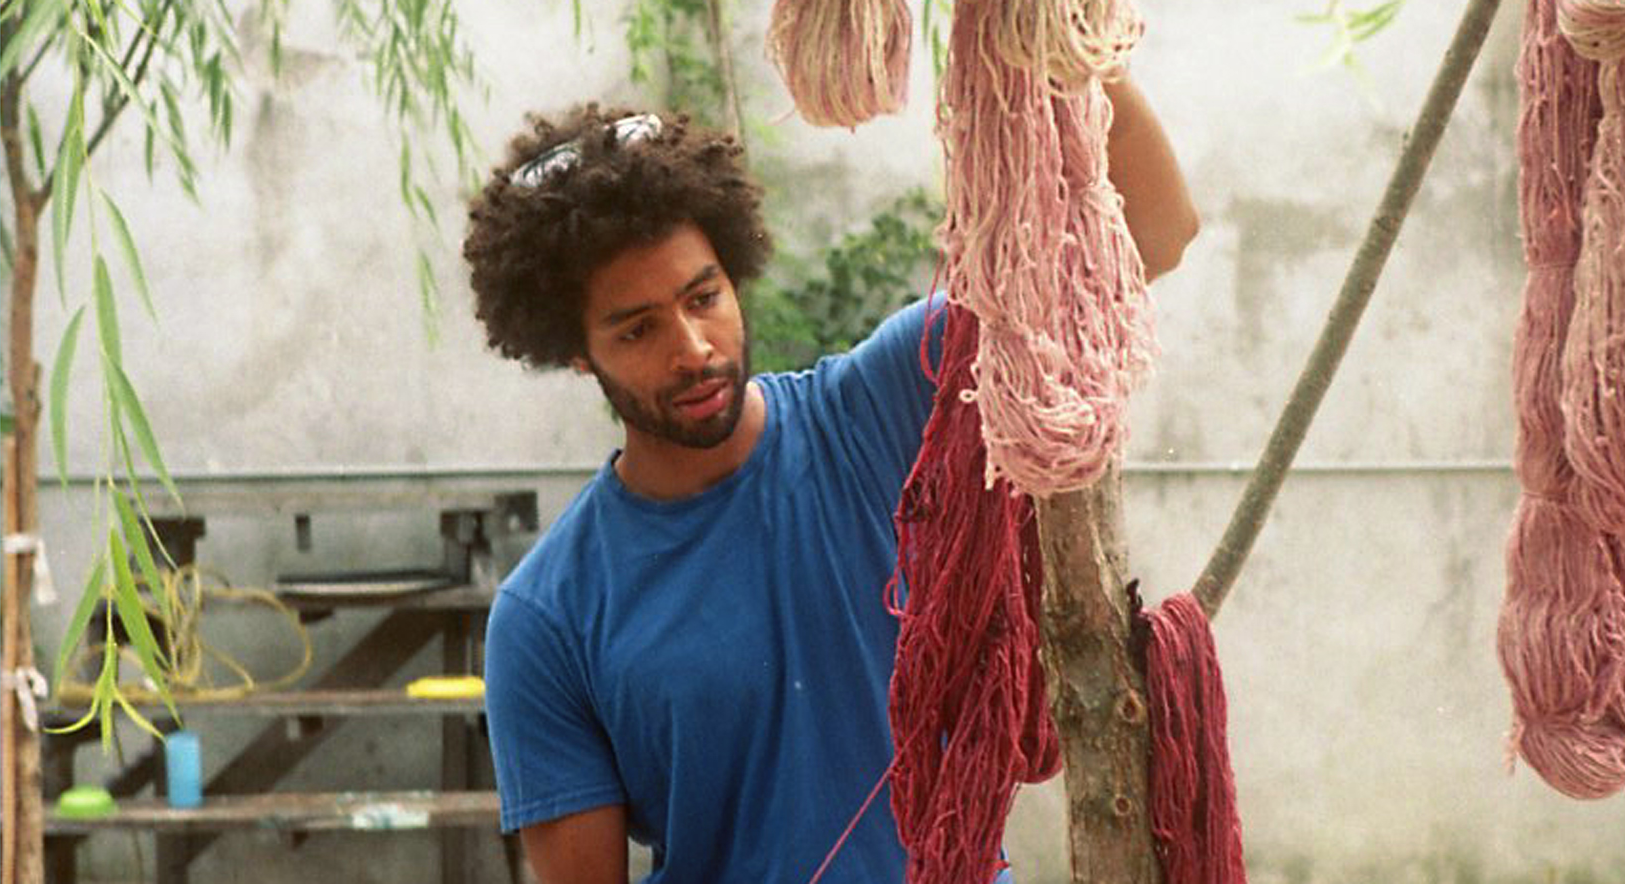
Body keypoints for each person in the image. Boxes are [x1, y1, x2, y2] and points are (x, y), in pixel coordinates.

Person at [462, 76, 1197, 884]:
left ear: (733, 275)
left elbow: (1157, 233)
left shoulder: (883, 410)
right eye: (638, 330)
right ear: (576, 352)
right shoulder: (548, 617)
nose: (693, 348)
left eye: (703, 298)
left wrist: (1069, 50)